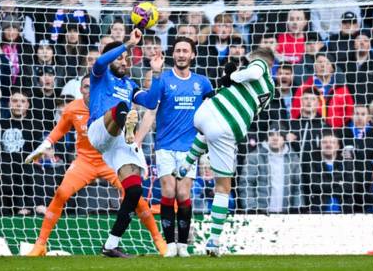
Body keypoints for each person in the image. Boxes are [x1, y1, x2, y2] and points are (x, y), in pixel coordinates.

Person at [24, 75, 167, 257]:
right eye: (85, 87)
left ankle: (159, 241)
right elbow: (60, 129)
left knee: (136, 197)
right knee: (61, 194)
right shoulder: (73, 108)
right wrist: (46, 144)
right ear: (81, 90)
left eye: (92, 86)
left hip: (110, 160)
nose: (89, 90)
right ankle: (40, 244)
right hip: (85, 161)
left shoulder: (107, 105)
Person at [179, 48, 276, 256]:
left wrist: (230, 76)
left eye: (245, 60)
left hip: (206, 113)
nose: (243, 63)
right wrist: (234, 78)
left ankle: (186, 164)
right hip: (227, 127)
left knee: (207, 133)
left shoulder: (259, 65)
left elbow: (253, 72)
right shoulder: (271, 91)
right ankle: (213, 242)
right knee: (223, 187)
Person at [86, 28, 163, 257]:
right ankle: (127, 124)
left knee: (134, 190)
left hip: (120, 141)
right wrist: (128, 44)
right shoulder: (100, 76)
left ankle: (111, 244)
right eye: (120, 57)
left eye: (126, 58)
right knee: (120, 108)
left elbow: (150, 102)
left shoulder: (130, 85)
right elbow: (100, 61)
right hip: (100, 130)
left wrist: (156, 73)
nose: (124, 61)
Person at [134, 37, 213, 257]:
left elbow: (212, 111)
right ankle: (170, 244)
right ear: (173, 54)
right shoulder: (164, 79)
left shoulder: (203, 83)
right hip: (165, 145)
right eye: (178, 50)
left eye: (185, 51)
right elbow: (150, 109)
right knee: (169, 191)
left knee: (183, 193)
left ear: (192, 55)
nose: (181, 54)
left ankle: (184, 245)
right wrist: (139, 140)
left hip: (190, 147)